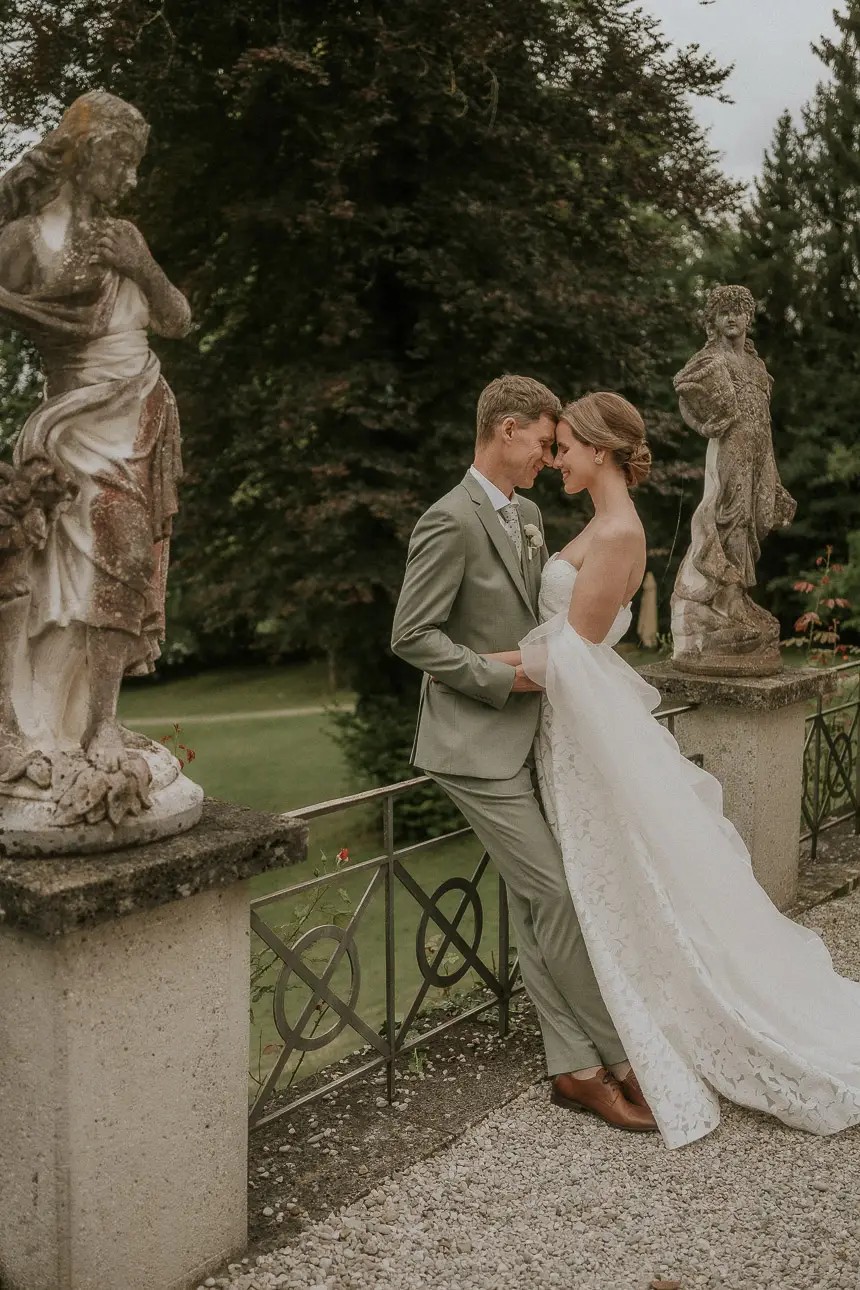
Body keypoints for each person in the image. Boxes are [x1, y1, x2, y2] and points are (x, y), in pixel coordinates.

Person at [514, 390, 860, 1148]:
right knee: (604, 866)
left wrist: (468, 667)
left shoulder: (618, 531)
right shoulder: (596, 526)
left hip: (584, 720)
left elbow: (571, 652)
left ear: (599, 450)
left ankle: (657, 1011)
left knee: (624, 864)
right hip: (574, 723)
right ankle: (596, 1017)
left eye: (565, 446)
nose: (556, 458)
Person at [391, 374, 658, 1133]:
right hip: (473, 745)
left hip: (534, 739)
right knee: (557, 897)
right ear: (506, 431)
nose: (549, 457)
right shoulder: (448, 519)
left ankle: (572, 1070)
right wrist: (501, 680)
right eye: (544, 442)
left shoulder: (534, 515)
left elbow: (561, 622)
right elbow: (411, 635)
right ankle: (621, 1052)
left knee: (532, 902)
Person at [0, 91, 190, 775]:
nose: (132, 180)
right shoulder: (25, 243)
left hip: (139, 419)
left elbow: (176, 319)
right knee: (96, 560)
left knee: (127, 563)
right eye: (125, 163)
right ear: (87, 157)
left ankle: (98, 725)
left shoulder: (125, 239)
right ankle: (56, 727)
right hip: (74, 428)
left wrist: (144, 267)